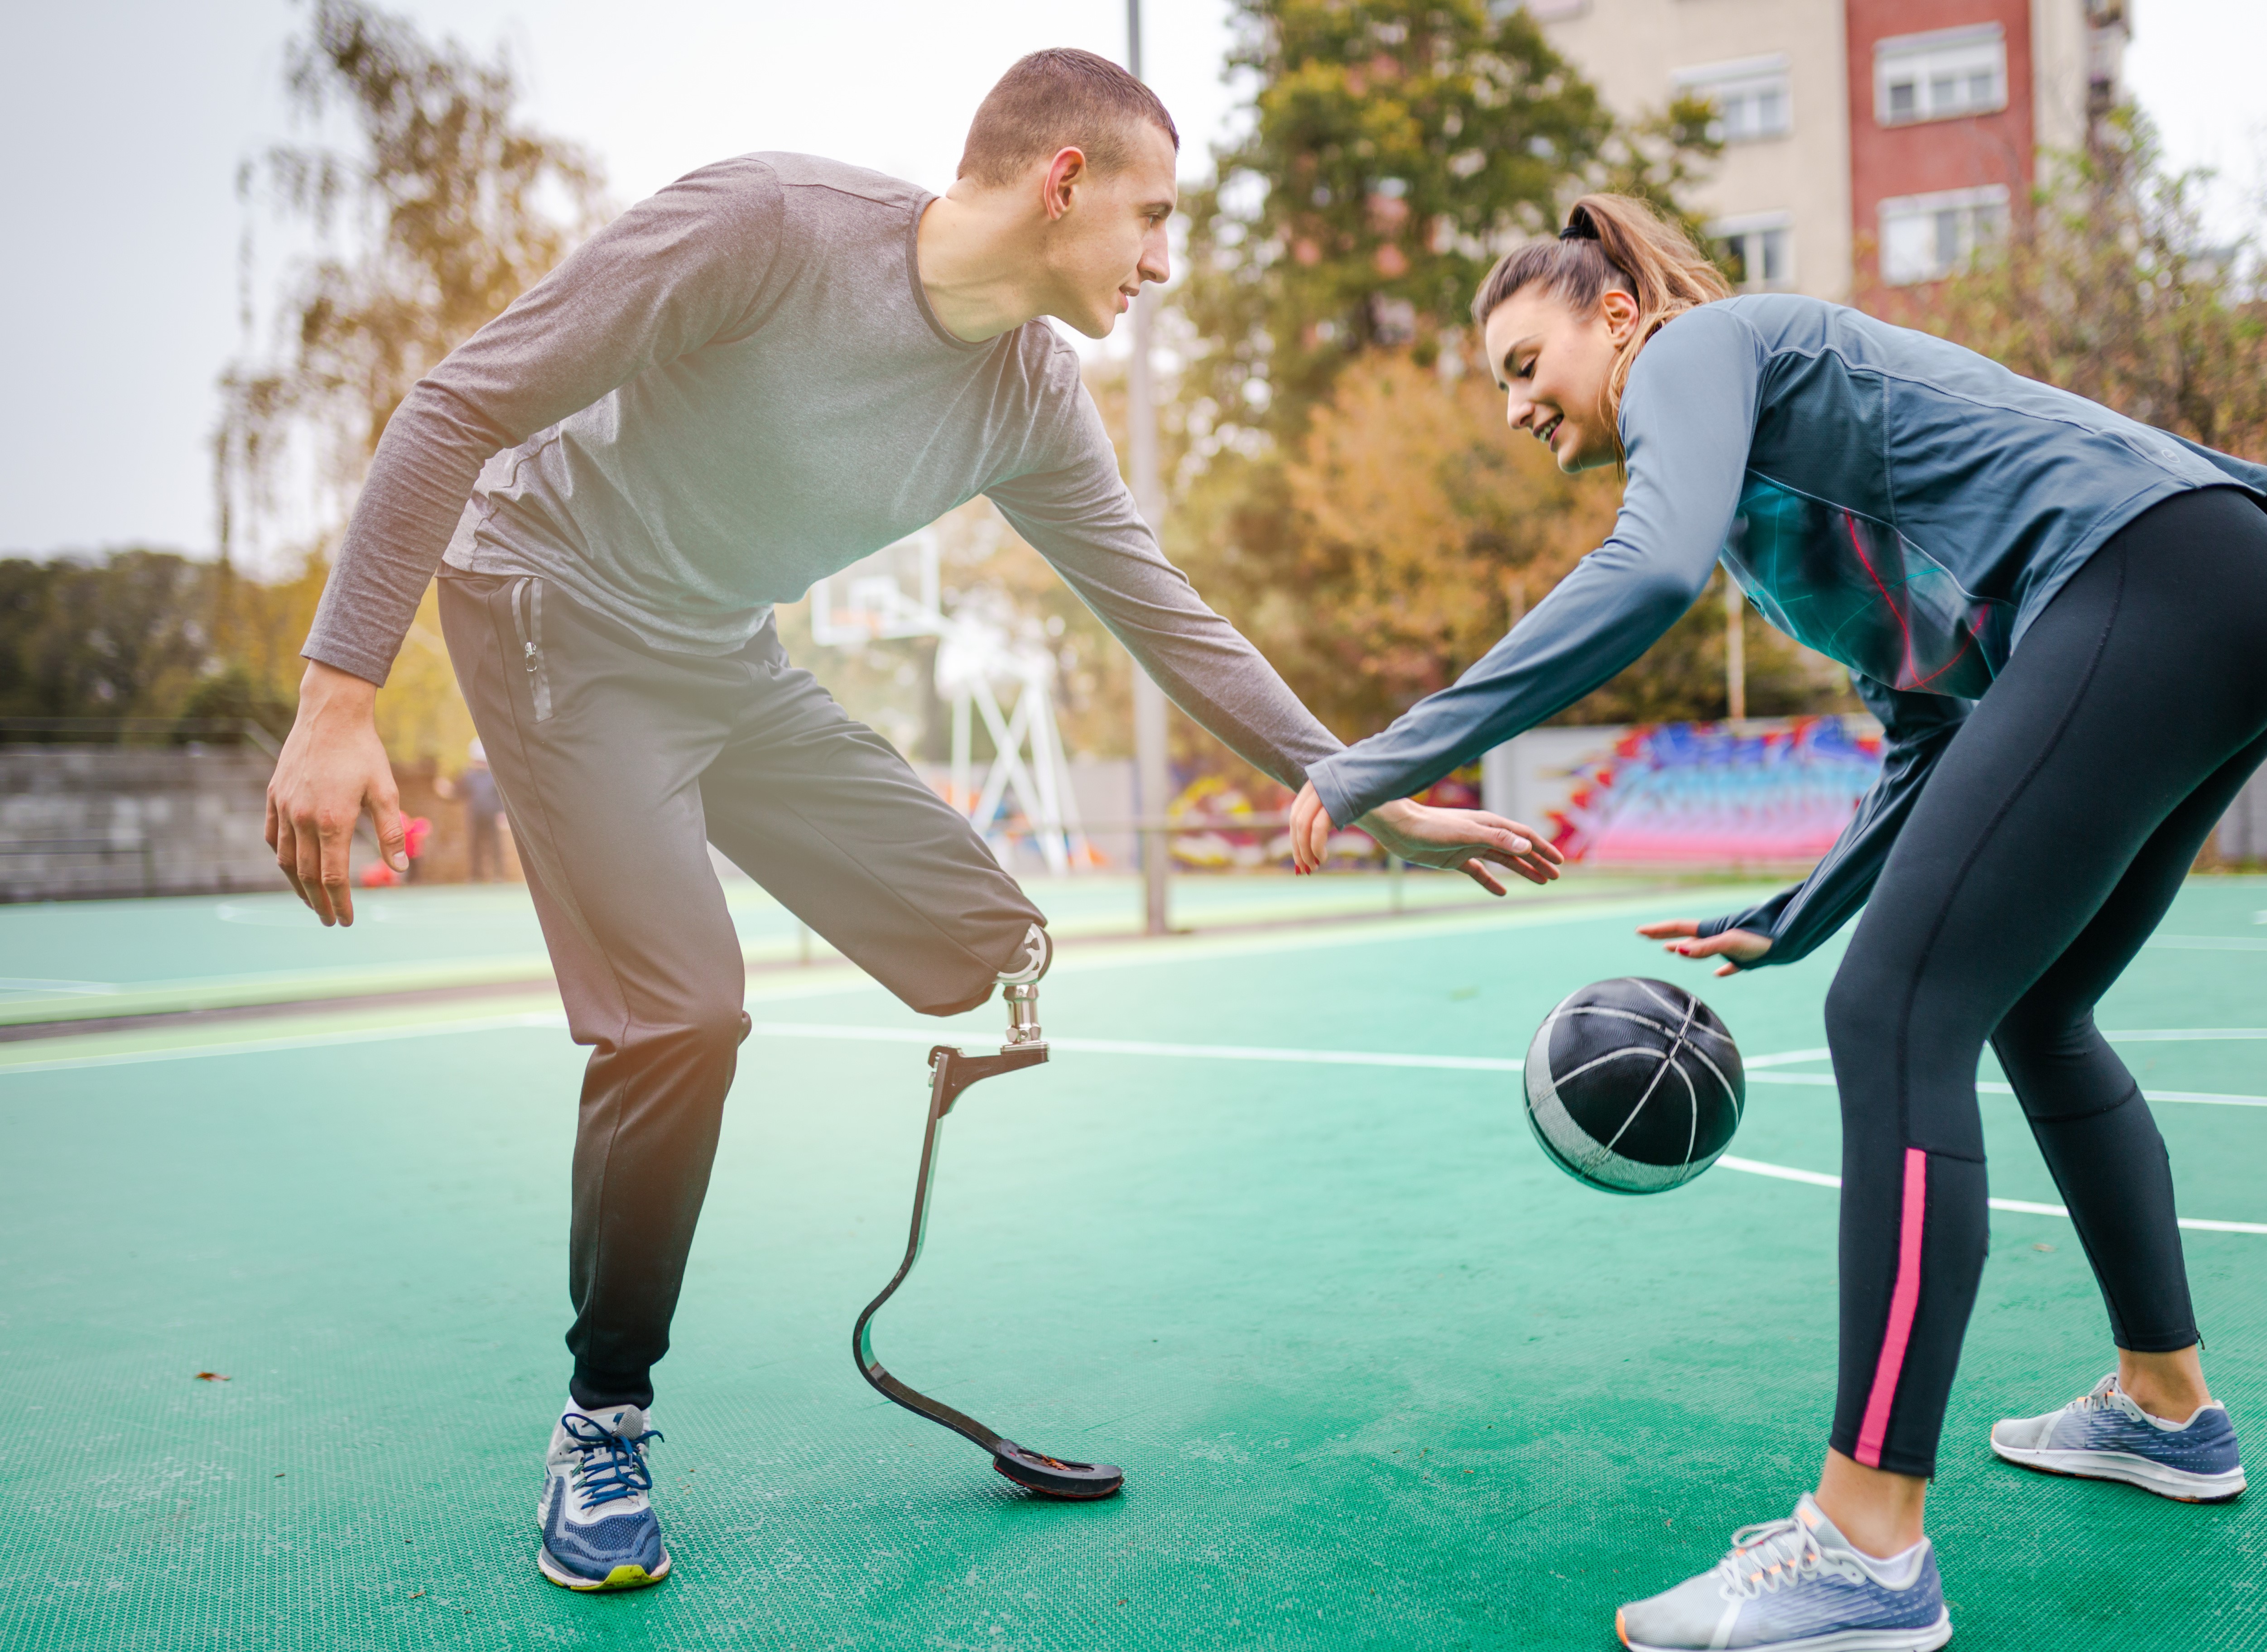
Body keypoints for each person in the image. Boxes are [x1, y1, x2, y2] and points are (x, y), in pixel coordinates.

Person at [263, 49, 1558, 1594]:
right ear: (1060, 182)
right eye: (1151, 219)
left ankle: (732, 897)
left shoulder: (1028, 392)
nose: (1163, 262)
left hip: (715, 649)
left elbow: (1165, 611)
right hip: (553, 606)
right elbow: (456, 399)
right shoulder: (764, 229)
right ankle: (602, 1420)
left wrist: (1357, 787)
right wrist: (338, 696)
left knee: (983, 934)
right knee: (684, 1014)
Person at [1288, 195, 2267, 1652]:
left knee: (1895, 1017)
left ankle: (1868, 1544)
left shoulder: (1702, 348)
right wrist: (1795, 915)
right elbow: (1929, 728)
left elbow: (1639, 572)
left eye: (1526, 362)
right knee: (2033, 1006)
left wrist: (1381, 757)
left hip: (2149, 581)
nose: (1516, 407)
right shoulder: (1770, 517)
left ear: (1619, 319)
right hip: (2228, 597)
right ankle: (2169, 1408)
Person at [458, 738, 505, 882]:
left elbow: (501, 797)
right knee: (475, 847)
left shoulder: (494, 776)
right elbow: (459, 791)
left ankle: (498, 876)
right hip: (475, 816)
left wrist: (502, 814)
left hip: (492, 816)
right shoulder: (469, 776)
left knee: (495, 847)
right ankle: (475, 876)